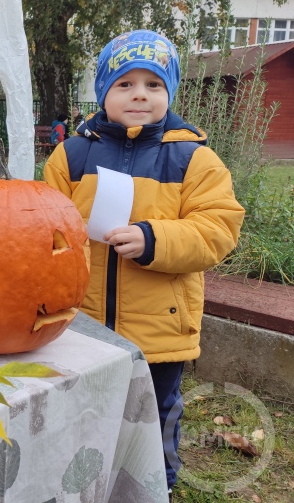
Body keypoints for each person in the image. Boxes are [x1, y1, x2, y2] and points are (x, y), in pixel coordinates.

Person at [43, 29, 245, 495]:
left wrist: (153, 239)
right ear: (103, 93)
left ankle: (156, 488)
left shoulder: (193, 158)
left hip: (159, 332)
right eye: (125, 84)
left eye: (153, 85)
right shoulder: (71, 155)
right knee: (87, 414)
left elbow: (217, 229)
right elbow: (46, 223)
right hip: (85, 326)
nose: (140, 95)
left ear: (169, 92)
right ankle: (85, 485)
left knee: (152, 421)